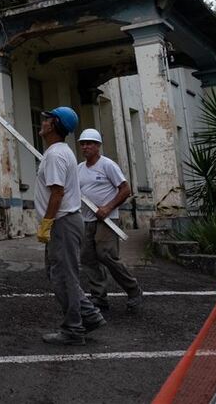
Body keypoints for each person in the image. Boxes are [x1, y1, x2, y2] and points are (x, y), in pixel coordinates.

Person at [35, 106, 106, 346]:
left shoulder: (55, 155)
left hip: (62, 221)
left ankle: (74, 329)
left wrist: (47, 223)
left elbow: (57, 193)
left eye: (47, 119)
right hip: (66, 221)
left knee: (64, 278)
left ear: (55, 124)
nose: (43, 122)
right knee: (59, 274)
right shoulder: (60, 151)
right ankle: (89, 316)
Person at [77, 128, 143, 312]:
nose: (85, 147)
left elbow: (125, 189)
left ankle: (133, 289)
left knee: (106, 255)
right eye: (83, 144)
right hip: (86, 220)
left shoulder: (108, 165)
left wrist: (107, 208)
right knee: (88, 258)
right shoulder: (79, 169)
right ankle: (99, 298)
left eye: (89, 143)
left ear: (98, 145)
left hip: (107, 220)